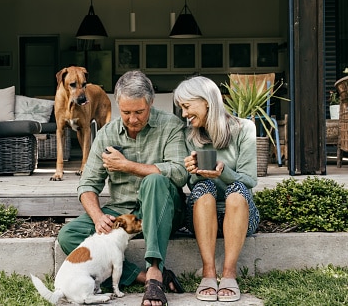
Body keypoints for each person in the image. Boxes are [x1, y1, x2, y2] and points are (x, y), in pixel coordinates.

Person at [57, 70, 189, 306]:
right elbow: (87, 184)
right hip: (124, 214)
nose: (133, 119)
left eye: (139, 112)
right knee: (69, 235)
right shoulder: (107, 134)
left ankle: (155, 271)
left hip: (164, 209)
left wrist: (128, 165)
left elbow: (179, 173)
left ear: (151, 102)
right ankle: (140, 277)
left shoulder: (171, 126)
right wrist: (98, 217)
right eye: (126, 112)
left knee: (155, 180)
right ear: (118, 104)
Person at [173, 76, 260, 302]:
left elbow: (250, 179)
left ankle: (229, 273)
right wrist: (192, 172)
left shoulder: (245, 128)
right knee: (202, 187)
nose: (184, 114)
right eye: (181, 108)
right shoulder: (188, 135)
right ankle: (208, 272)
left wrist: (224, 172)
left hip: (241, 216)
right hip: (202, 218)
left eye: (187, 106)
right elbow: (191, 185)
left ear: (207, 102)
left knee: (238, 189)